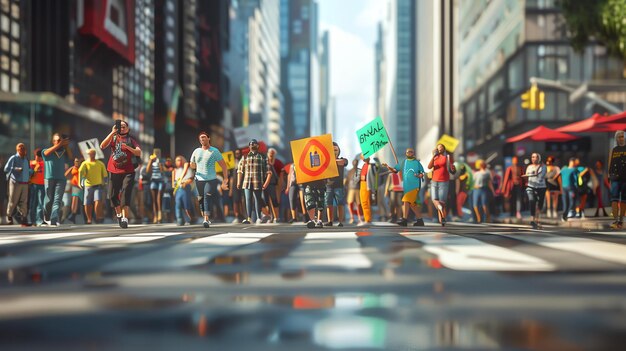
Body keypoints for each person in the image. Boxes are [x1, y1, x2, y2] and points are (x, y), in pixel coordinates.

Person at [100, 120, 141, 229]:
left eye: (124, 126)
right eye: (120, 126)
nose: (121, 128)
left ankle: (125, 219)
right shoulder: (113, 138)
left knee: (125, 193)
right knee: (112, 195)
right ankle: (118, 215)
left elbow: (138, 152)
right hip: (113, 170)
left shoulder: (131, 140)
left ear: (128, 129)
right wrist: (112, 132)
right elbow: (102, 146)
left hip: (128, 171)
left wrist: (128, 148)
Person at [189, 132, 229, 228]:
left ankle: (206, 219)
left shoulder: (214, 151)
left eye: (204, 137)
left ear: (208, 138)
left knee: (206, 196)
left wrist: (225, 179)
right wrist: (193, 166)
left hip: (211, 179)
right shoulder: (196, 151)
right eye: (200, 138)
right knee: (201, 198)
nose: (202, 139)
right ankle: (205, 215)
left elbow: (223, 166)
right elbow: (192, 164)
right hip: (198, 179)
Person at [383, 148, 425, 226]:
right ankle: (420, 220)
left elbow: (422, 173)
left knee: (406, 201)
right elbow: (395, 170)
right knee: (412, 204)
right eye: (408, 152)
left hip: (414, 186)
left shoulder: (417, 163)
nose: (409, 153)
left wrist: (419, 175)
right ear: (406, 153)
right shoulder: (403, 162)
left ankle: (404, 220)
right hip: (406, 186)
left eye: (411, 152)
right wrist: (388, 167)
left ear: (413, 153)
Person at [237, 139, 271, 224]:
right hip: (247, 181)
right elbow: (240, 171)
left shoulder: (263, 157)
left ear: (257, 146)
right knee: (248, 199)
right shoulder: (245, 157)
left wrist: (266, 183)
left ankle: (259, 217)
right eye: (251, 144)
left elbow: (268, 172)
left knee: (258, 199)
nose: (252, 145)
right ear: (249, 146)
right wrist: (238, 182)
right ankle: (248, 218)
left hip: (258, 181)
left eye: (254, 144)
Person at [43, 133, 73, 226]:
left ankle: (54, 219)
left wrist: (66, 146)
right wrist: (60, 144)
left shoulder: (64, 152)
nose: (58, 142)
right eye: (57, 140)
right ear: (53, 141)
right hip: (49, 178)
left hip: (61, 179)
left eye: (60, 140)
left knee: (57, 200)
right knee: (49, 200)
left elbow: (71, 158)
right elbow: (46, 153)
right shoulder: (46, 151)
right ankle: (46, 217)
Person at [427, 143, 455, 226]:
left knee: (442, 202)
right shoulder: (435, 157)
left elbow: (452, 169)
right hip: (434, 181)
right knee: (434, 200)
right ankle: (442, 217)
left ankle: (442, 219)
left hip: (444, 181)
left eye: (441, 148)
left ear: (444, 149)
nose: (439, 149)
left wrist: (453, 168)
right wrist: (433, 156)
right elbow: (429, 167)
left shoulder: (447, 157)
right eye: (438, 148)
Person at [4, 143, 32, 226]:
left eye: (23, 148)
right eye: (20, 148)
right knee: (13, 200)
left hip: (25, 182)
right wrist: (16, 169)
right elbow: (6, 168)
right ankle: (9, 216)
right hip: (15, 182)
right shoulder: (14, 158)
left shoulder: (26, 159)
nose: (22, 150)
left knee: (24, 201)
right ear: (17, 149)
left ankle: (24, 217)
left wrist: (31, 172)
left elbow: (29, 169)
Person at [78, 149, 108, 224]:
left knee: (98, 200)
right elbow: (80, 172)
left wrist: (105, 182)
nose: (90, 155)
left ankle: (97, 216)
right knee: (87, 203)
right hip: (88, 186)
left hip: (98, 186)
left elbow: (105, 175)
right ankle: (89, 218)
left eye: (92, 154)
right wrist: (79, 182)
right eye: (89, 154)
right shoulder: (85, 163)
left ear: (95, 154)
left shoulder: (100, 163)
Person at [324, 142, 348, 227]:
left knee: (340, 203)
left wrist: (331, 161)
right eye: (332, 149)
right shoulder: (326, 160)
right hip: (328, 185)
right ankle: (330, 221)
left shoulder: (342, 159)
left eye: (336, 149)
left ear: (339, 151)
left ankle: (340, 221)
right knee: (328, 203)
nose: (334, 151)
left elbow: (343, 162)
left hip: (339, 186)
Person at [522, 153, 546, 229]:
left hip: (541, 187)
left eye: (536, 157)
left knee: (540, 203)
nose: (534, 158)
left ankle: (537, 219)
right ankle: (532, 219)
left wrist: (528, 174)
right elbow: (526, 176)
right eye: (532, 157)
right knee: (532, 201)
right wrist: (526, 177)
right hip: (531, 187)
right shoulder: (529, 167)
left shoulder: (543, 167)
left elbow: (540, 176)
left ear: (539, 158)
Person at [607, 130, 626, 228]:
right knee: (614, 199)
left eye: (622, 136)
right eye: (619, 136)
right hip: (614, 177)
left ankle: (621, 221)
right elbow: (609, 164)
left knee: (623, 200)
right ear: (616, 138)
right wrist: (608, 175)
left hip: (625, 177)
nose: (621, 138)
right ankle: (615, 220)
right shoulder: (613, 150)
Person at [172, 155, 195, 225]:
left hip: (185, 188)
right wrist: (174, 189)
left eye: (180, 160)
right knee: (178, 204)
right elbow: (174, 182)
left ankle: (190, 219)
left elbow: (191, 179)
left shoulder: (187, 169)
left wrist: (185, 182)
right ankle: (179, 219)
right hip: (178, 188)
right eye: (177, 160)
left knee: (186, 205)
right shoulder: (175, 170)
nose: (179, 162)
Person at [555, 157, 578, 222]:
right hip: (566, 188)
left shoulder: (573, 170)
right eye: (573, 162)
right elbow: (557, 176)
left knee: (571, 201)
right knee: (566, 202)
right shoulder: (564, 169)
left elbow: (576, 180)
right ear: (570, 162)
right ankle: (565, 215)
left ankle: (568, 214)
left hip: (571, 188)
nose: (573, 164)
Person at [472, 159, 494, 224]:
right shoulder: (476, 173)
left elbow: (490, 182)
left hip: (484, 189)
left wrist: (493, 191)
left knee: (484, 205)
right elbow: (473, 182)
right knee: (475, 205)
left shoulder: (487, 173)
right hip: (476, 189)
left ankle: (487, 217)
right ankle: (479, 218)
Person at [265, 148, 284, 223]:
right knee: (266, 201)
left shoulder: (278, 162)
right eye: (270, 152)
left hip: (274, 184)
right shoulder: (264, 162)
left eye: (273, 153)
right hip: (265, 184)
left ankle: (276, 217)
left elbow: (281, 175)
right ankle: (269, 217)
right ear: (267, 153)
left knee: (275, 201)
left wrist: (280, 185)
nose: (271, 154)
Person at [146, 149, 165, 223]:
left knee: (159, 198)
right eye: (155, 153)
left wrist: (160, 163)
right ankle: (155, 216)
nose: (157, 154)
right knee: (154, 199)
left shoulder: (162, 160)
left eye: (158, 153)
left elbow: (162, 171)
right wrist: (151, 161)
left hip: (160, 180)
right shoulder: (151, 160)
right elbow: (147, 170)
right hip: (153, 180)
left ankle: (160, 214)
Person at [29, 148, 45, 226]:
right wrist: (34, 169)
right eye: (37, 155)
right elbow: (28, 173)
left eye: (40, 156)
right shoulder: (31, 163)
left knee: (41, 203)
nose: (38, 157)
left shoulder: (44, 163)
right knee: (33, 203)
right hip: (34, 185)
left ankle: (39, 220)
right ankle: (32, 221)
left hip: (43, 185)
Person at [359, 155, 377, 226]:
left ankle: (368, 219)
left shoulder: (372, 166)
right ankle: (367, 218)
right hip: (362, 184)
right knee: (363, 202)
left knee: (366, 202)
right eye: (362, 157)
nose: (363, 158)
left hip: (367, 184)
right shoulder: (363, 165)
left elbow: (375, 174)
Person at [64, 157, 83, 223]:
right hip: (75, 186)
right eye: (75, 161)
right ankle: (73, 214)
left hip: (81, 186)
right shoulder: (73, 168)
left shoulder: (82, 167)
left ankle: (75, 214)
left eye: (77, 161)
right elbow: (66, 175)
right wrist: (71, 168)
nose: (76, 162)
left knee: (82, 201)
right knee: (74, 200)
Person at [230, 149, 245, 223]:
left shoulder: (243, 162)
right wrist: (230, 190)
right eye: (236, 153)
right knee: (235, 201)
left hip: (243, 184)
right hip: (234, 185)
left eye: (238, 153)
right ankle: (237, 216)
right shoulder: (232, 163)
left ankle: (243, 215)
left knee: (242, 200)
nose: (237, 154)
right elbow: (231, 177)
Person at [346, 159, 363, 224]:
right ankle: (352, 217)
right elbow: (347, 180)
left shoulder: (359, 171)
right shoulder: (350, 171)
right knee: (350, 203)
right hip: (351, 189)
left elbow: (361, 180)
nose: (355, 163)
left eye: (356, 162)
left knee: (358, 204)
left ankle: (360, 218)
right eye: (354, 162)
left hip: (358, 189)